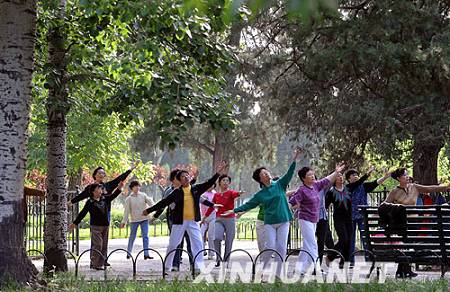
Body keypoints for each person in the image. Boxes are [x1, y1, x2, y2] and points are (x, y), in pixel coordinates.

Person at [223, 149, 302, 278]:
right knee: (269, 247)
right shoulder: (260, 194)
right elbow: (249, 204)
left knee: (281, 248)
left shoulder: (280, 184)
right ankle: (263, 270)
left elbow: (289, 173)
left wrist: (294, 158)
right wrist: (234, 210)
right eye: (264, 174)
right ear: (260, 179)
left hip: (284, 220)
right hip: (270, 223)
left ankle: (278, 274)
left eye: (267, 172)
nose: (267, 174)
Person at [143, 162, 227, 274]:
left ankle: (198, 267)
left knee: (198, 243)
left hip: (193, 222)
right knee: (173, 244)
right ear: (179, 180)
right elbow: (163, 203)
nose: (186, 177)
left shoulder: (196, 189)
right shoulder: (176, 192)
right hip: (179, 222)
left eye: (187, 175)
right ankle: (167, 266)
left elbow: (209, 183)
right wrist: (148, 210)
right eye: (183, 176)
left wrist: (218, 172)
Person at [289, 161, 345, 274]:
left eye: (312, 174)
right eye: (309, 175)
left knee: (306, 245)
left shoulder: (315, 185)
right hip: (304, 220)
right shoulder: (301, 190)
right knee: (313, 244)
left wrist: (336, 172)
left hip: (314, 219)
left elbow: (326, 180)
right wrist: (291, 209)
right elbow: (292, 203)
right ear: (303, 178)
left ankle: (300, 269)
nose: (312, 176)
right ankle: (316, 269)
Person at [69, 181, 125, 270]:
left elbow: (113, 195)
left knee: (104, 245)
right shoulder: (90, 202)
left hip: (105, 226)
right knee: (98, 244)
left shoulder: (105, 199)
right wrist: (75, 223)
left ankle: (100, 264)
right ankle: (94, 263)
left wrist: (119, 188)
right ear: (93, 192)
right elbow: (82, 213)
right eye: (98, 189)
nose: (100, 190)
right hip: (95, 226)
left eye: (100, 189)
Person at [345, 167, 391, 264]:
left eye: (356, 174)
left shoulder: (363, 186)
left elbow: (375, 183)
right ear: (348, 179)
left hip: (362, 216)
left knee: (365, 238)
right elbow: (355, 184)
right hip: (350, 217)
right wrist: (366, 174)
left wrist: (385, 177)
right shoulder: (347, 188)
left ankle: (369, 259)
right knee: (351, 239)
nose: (356, 176)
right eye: (353, 175)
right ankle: (351, 261)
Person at [153, 169, 192, 271]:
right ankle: (175, 264)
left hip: (189, 219)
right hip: (174, 219)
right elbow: (162, 205)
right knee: (176, 242)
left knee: (190, 241)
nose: (182, 179)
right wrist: (155, 216)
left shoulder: (189, 189)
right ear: (174, 179)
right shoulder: (169, 191)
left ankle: (194, 264)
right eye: (180, 177)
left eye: (184, 177)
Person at [204, 175, 243, 267]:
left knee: (229, 241)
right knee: (216, 238)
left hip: (230, 219)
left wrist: (239, 193)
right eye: (223, 180)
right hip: (219, 219)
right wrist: (204, 218)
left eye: (227, 181)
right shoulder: (216, 195)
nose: (225, 182)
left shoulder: (230, 192)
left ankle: (226, 261)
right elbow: (212, 207)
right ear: (219, 182)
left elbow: (235, 194)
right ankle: (218, 259)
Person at [68, 161, 138, 207]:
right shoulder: (90, 188)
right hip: (95, 216)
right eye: (99, 173)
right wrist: (70, 202)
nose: (102, 174)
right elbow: (81, 196)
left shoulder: (108, 186)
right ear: (95, 175)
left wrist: (131, 169)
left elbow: (120, 178)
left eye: (103, 173)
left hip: (106, 216)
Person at [119, 180, 155, 260]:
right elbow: (126, 212)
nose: (137, 188)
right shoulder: (129, 199)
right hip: (134, 220)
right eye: (135, 186)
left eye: (138, 186)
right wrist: (123, 222)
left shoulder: (143, 195)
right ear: (132, 188)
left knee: (145, 236)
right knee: (132, 236)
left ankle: (146, 254)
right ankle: (128, 253)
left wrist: (152, 211)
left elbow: (152, 204)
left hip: (144, 219)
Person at [325, 172, 352, 267]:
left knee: (348, 240)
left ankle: (343, 262)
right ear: (334, 180)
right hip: (338, 218)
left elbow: (359, 183)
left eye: (341, 177)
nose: (340, 178)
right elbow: (325, 206)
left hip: (349, 218)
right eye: (338, 177)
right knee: (343, 239)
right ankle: (330, 256)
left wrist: (367, 175)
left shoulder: (348, 189)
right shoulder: (331, 192)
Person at [384, 168, 450, 205]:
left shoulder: (414, 187)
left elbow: (430, 188)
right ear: (398, 178)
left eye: (407, 174)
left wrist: (446, 187)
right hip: (401, 223)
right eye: (404, 175)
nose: (407, 177)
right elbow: (384, 205)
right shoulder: (394, 191)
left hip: (414, 221)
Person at [200, 184, 216, 260]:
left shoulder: (215, 194)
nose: (210, 186)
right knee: (201, 234)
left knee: (211, 235)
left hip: (213, 216)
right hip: (203, 217)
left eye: (212, 185)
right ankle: (202, 251)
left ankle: (211, 253)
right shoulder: (202, 194)